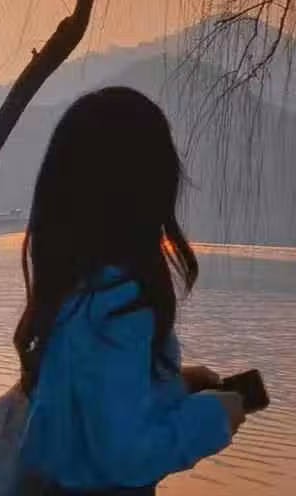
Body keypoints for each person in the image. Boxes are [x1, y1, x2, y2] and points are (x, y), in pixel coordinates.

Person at [14, 87, 246, 495]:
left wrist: (173, 383)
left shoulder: (71, 296)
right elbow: (126, 456)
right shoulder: (119, 307)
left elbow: (93, 409)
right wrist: (214, 416)